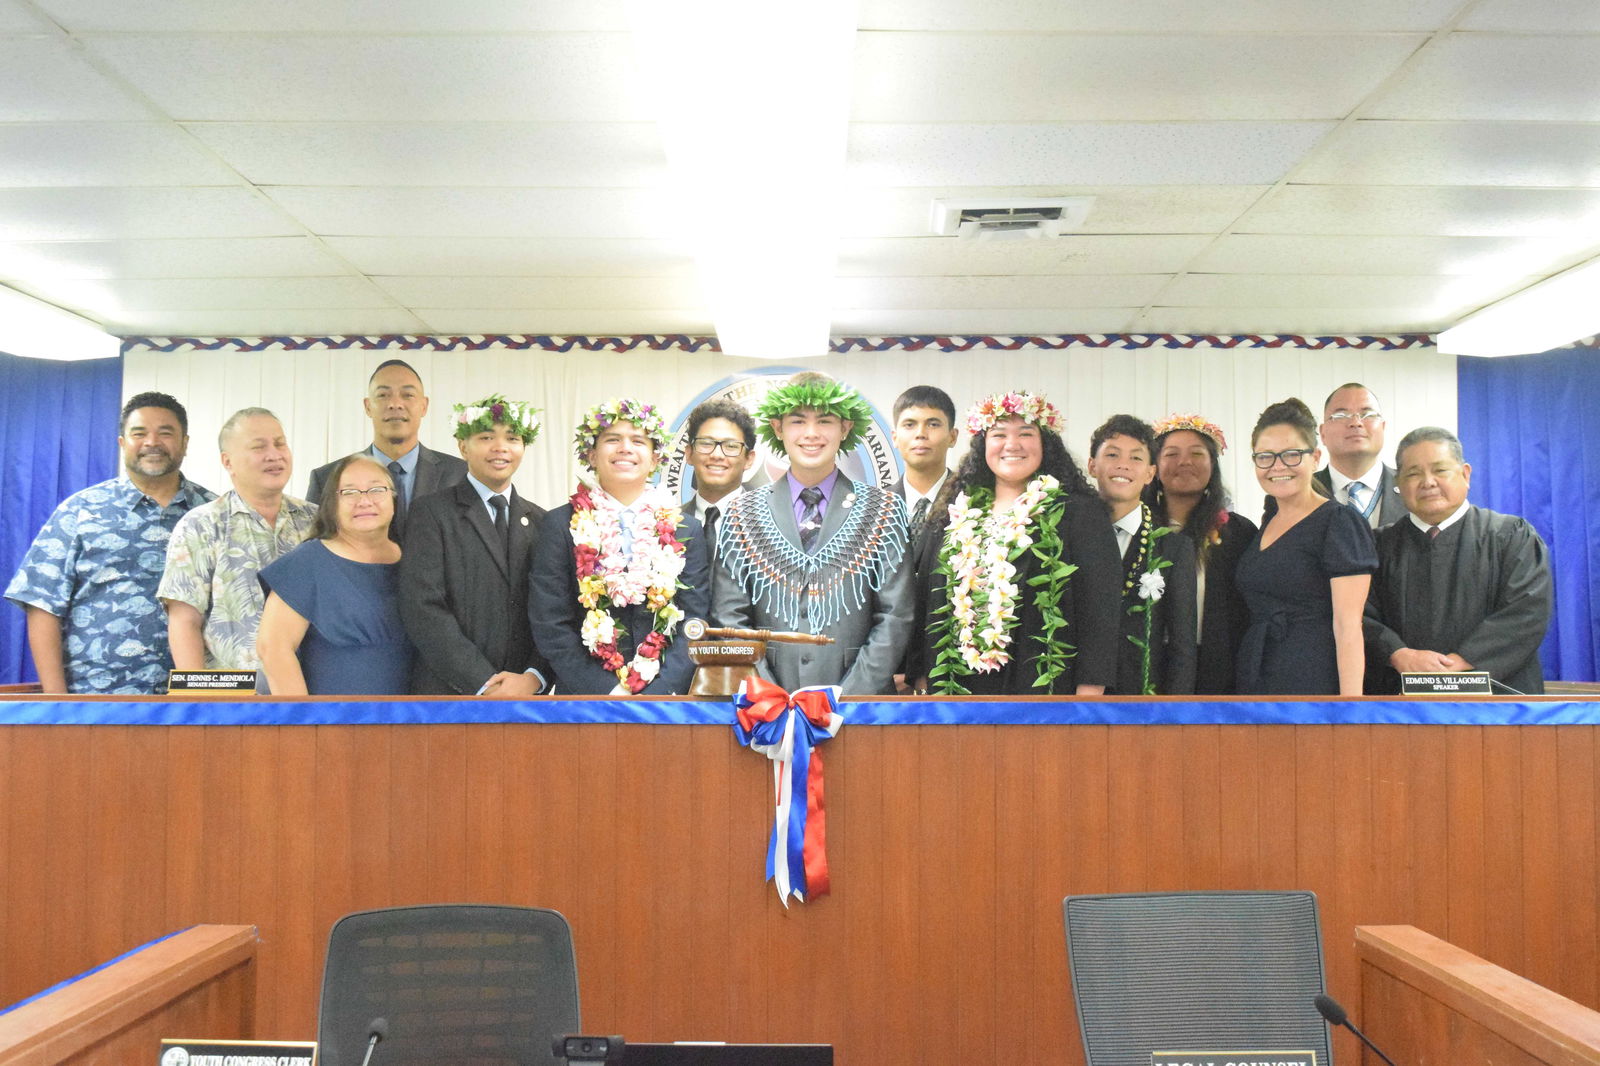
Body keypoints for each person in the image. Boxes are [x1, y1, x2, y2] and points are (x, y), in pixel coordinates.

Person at [711, 373, 912, 694]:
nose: (811, 433)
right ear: (778, 428)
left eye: (825, 420)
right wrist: (768, 694)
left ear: (845, 428)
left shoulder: (884, 509)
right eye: (798, 421)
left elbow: (895, 615)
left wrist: (845, 699)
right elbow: (728, 617)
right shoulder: (741, 512)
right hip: (765, 708)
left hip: (860, 707)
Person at [5, 391, 215, 694]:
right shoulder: (81, 511)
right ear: (122, 444)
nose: (152, 442)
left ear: (185, 443)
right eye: (139, 433)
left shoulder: (214, 514)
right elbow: (42, 604)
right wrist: (56, 701)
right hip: (98, 699)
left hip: (197, 702)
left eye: (165, 433)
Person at [914, 391, 1121, 696]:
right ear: (983, 444)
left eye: (1026, 433)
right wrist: (921, 674)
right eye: (999, 434)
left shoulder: (1079, 514)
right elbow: (926, 601)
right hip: (956, 684)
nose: (1012, 445)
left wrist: (1090, 688)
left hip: (1045, 683)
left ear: (1045, 444)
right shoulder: (954, 513)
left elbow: (1100, 609)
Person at [529, 399, 709, 695]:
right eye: (612, 440)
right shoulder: (559, 524)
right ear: (591, 455)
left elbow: (694, 619)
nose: (625, 448)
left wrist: (658, 693)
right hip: (584, 699)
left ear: (654, 460)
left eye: (638, 441)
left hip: (665, 702)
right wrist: (606, 691)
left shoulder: (686, 528)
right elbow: (551, 623)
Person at [1364, 427, 1553, 695]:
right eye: (1414, 473)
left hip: (1498, 703)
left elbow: (1527, 611)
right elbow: (1358, 615)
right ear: (1399, 482)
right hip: (1401, 702)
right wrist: (1398, 653)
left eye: (1440, 470)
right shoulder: (1377, 546)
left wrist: (1458, 665)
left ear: (1465, 474)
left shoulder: (1511, 536)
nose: (1428, 482)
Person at [399, 394, 551, 696]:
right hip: (449, 695)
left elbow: (554, 610)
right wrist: (483, 682)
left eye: (512, 438)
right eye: (486, 437)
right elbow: (423, 608)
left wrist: (533, 677)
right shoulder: (430, 513)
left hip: (525, 698)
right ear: (462, 447)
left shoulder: (542, 521)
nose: (500, 448)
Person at [158, 408, 316, 676]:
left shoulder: (316, 520)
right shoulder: (201, 525)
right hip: (232, 698)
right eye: (259, 447)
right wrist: (197, 700)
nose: (274, 455)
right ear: (228, 461)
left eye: (280, 443)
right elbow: (185, 621)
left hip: (312, 693)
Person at [1234, 398, 1377, 696]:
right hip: (1257, 671)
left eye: (1291, 455)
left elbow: (1348, 627)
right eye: (1266, 457)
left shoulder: (1339, 522)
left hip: (1311, 676)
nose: (1278, 466)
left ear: (1315, 457)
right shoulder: (1269, 519)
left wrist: (1351, 707)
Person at [257, 455, 411, 695]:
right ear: (331, 503)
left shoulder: (417, 559)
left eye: (376, 489)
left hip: (418, 718)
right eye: (349, 492)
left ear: (394, 498)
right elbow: (273, 649)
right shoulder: (307, 562)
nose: (365, 501)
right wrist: (304, 724)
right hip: (331, 722)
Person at [1145, 413, 1257, 695]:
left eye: (1197, 453)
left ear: (1212, 465)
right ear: (1154, 467)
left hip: (1220, 673)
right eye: (1171, 454)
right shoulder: (1139, 528)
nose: (1184, 462)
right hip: (1147, 668)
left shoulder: (1239, 533)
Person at [1087, 414, 1197, 696]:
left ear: (1150, 473)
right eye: (1112, 454)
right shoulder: (1068, 538)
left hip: (1143, 700)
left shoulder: (1174, 548)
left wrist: (1173, 714)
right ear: (1092, 466)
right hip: (1074, 698)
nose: (1123, 464)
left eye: (1136, 458)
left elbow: (1182, 646)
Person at [304, 359, 467, 542]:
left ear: (424, 406)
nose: (395, 404)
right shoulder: (326, 478)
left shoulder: (460, 475)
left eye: (407, 395)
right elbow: (315, 551)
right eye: (383, 395)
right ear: (367, 406)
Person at [1315, 382, 1405, 529]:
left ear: (1382, 428)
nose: (1356, 423)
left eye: (1368, 415)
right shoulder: (1298, 492)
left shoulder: (1411, 488)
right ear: (1323, 433)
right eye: (1341, 415)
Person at [681, 399, 757, 564]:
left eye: (731, 446)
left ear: (749, 459)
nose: (717, 455)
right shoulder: (669, 524)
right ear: (689, 454)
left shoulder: (767, 524)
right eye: (706, 443)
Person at [890, 385, 960, 542]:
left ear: (953, 437)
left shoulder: (973, 503)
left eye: (933, 424)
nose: (920, 434)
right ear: (894, 437)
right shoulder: (874, 507)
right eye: (909, 425)